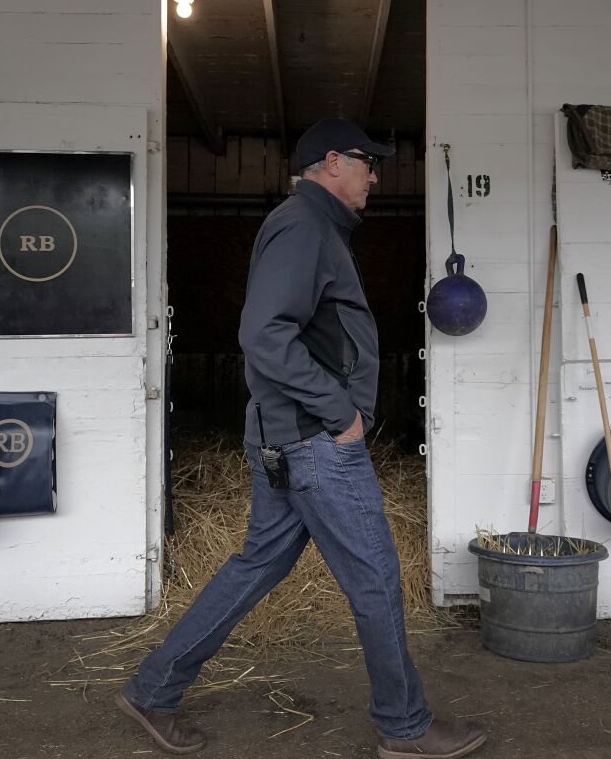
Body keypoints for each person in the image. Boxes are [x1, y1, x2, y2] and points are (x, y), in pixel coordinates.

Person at [115, 118, 488, 759]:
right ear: (332, 162)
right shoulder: (304, 226)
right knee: (374, 574)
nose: (375, 175)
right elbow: (264, 334)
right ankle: (405, 727)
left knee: (259, 563)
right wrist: (338, 412)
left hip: (289, 438)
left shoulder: (309, 228)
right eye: (367, 163)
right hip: (315, 442)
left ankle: (154, 688)